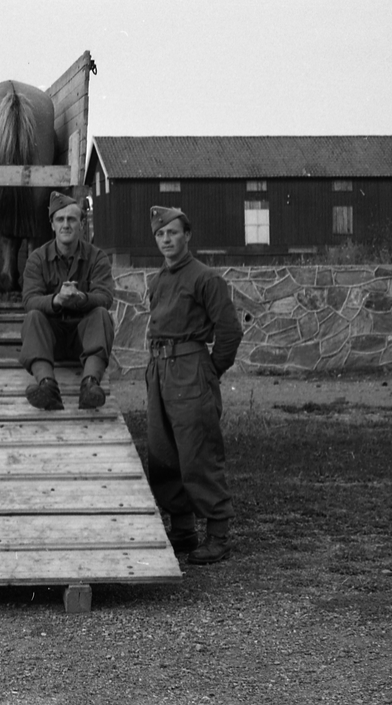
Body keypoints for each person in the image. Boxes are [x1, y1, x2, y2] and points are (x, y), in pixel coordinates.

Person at [145, 206, 243, 565]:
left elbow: (230, 332)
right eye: (160, 234)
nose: (167, 239)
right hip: (158, 371)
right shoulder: (157, 281)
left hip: (190, 369)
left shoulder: (206, 278)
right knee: (163, 452)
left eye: (173, 232)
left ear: (187, 235)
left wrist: (208, 372)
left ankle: (218, 534)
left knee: (197, 451)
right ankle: (183, 529)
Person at [19, 191, 115, 410]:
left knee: (101, 314)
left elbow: (106, 297)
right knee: (33, 316)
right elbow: (30, 300)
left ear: (81, 224)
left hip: (85, 337)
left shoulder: (97, 257)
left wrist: (81, 298)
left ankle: (90, 385)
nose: (66, 225)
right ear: (52, 224)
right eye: (60, 219)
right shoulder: (37, 258)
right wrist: (56, 300)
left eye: (71, 219)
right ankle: (47, 386)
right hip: (50, 340)